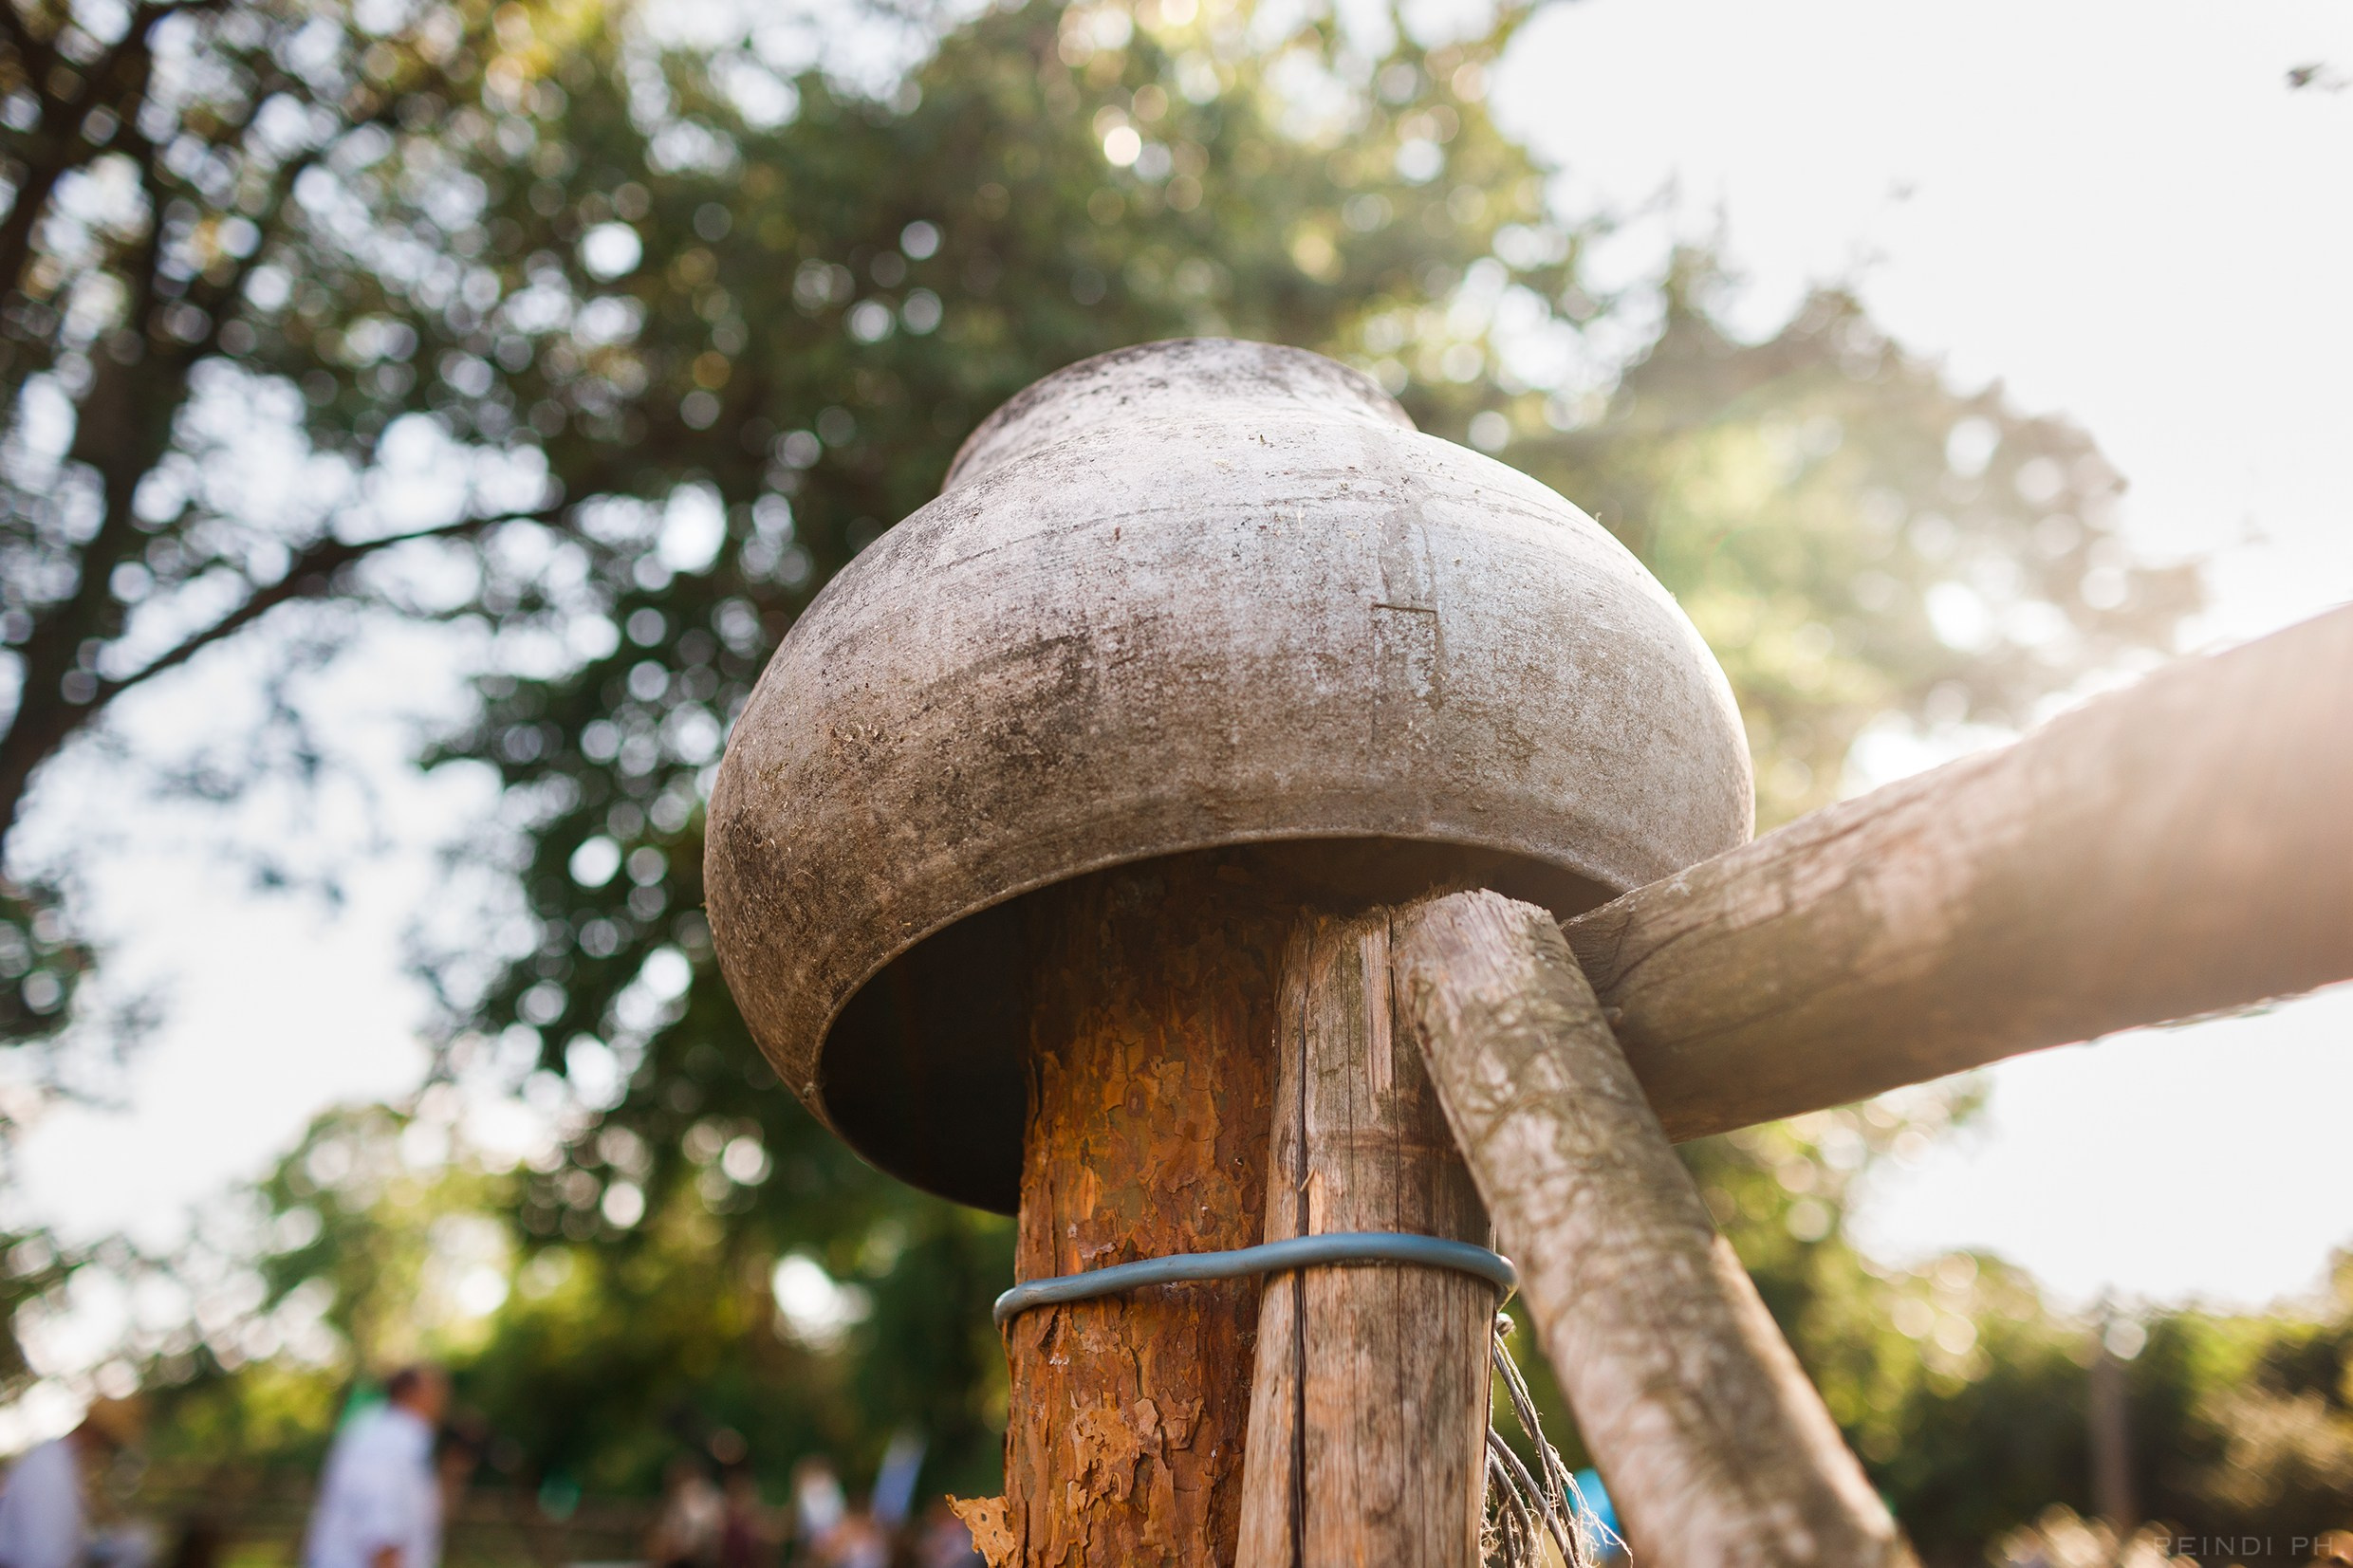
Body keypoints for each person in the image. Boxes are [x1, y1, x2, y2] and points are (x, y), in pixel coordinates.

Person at [300, 1367, 450, 1568]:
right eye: (438, 1391)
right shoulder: (390, 1442)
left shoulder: (382, 1434)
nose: (444, 1402)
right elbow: (382, 1536)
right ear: (412, 1393)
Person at [0, 1399, 144, 1568]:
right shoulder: (49, 1469)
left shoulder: (62, 1465)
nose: (106, 1453)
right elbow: (47, 1557)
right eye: (109, 1444)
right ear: (96, 1434)